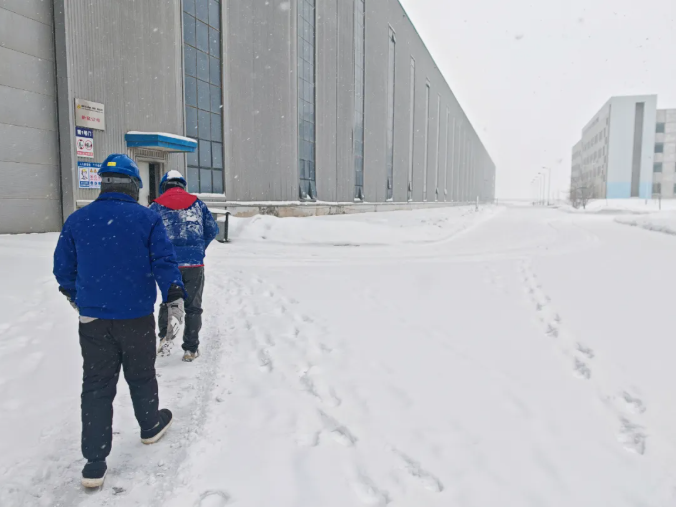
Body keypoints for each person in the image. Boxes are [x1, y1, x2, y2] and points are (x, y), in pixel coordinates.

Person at [53, 154, 187, 488]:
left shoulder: (78, 220)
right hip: (135, 316)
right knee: (141, 375)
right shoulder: (147, 219)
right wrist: (174, 296)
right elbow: (164, 260)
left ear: (103, 183)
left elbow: (63, 269)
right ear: (134, 186)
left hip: (93, 319)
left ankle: (94, 462)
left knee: (97, 384)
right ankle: (150, 425)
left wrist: (76, 297)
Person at [150, 170, 219, 362]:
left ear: (164, 186)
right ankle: (190, 349)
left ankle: (164, 338)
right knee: (193, 307)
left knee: (168, 301)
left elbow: (149, 234)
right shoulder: (197, 204)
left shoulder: (156, 206)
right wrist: (199, 248)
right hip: (194, 264)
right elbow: (212, 229)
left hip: (168, 264)